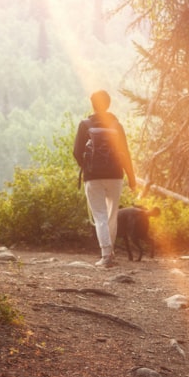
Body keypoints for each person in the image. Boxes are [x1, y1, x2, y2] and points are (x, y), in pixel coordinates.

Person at [74, 90, 136, 268]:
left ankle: (106, 254)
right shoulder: (116, 125)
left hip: (93, 177)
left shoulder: (85, 124)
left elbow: (77, 152)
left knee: (100, 215)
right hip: (116, 176)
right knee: (112, 215)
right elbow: (125, 153)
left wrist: (87, 167)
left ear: (92, 104)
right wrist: (131, 177)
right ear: (108, 104)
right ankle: (110, 252)